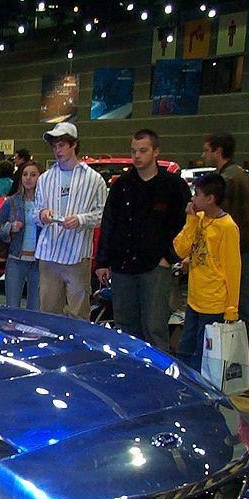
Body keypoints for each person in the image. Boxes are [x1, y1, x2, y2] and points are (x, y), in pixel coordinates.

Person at [95, 129, 189, 349]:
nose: (137, 156)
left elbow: (186, 226)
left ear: (156, 152)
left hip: (155, 267)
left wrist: (170, 256)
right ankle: (131, 374)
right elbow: (109, 222)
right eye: (133, 151)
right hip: (122, 266)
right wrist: (102, 262)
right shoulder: (122, 185)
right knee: (126, 327)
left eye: (143, 150)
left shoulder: (173, 187)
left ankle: (157, 379)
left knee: (154, 327)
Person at [203, 131, 249, 394]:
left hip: (235, 252)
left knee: (241, 309)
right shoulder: (236, 174)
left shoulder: (228, 179)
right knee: (242, 307)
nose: (203, 154)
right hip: (238, 249)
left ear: (218, 151)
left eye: (206, 150)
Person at [34, 122, 108, 320]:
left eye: (62, 145)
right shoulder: (45, 179)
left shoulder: (94, 180)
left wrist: (81, 220)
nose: (57, 150)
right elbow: (36, 212)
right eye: (54, 146)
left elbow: (102, 215)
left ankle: (78, 349)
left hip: (77, 256)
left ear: (74, 144)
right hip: (49, 255)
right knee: (48, 312)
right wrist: (42, 214)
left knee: (79, 313)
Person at [173, 173, 241, 374]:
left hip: (214, 302)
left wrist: (231, 308)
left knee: (205, 354)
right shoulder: (199, 219)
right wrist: (191, 221)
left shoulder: (227, 227)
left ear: (210, 198)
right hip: (195, 298)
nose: (193, 198)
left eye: (197, 194)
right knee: (185, 347)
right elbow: (180, 249)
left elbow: (232, 269)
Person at [0, 160, 43, 310]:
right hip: (15, 259)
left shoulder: (46, 203)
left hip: (39, 262)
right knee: (12, 308)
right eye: (25, 174)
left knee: (35, 309)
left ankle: (32, 334)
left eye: (33, 175)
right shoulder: (12, 202)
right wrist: (9, 228)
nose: (28, 178)